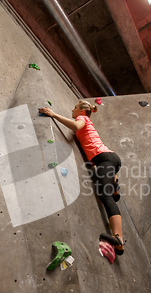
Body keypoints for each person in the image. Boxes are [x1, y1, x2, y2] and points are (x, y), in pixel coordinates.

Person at [39, 101, 124, 255]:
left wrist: (53, 114)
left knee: (105, 196)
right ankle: (115, 185)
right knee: (107, 186)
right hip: (111, 159)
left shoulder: (83, 120)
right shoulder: (87, 124)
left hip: (104, 159)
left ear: (82, 112)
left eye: (75, 108)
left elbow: (76, 126)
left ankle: (118, 239)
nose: (72, 109)